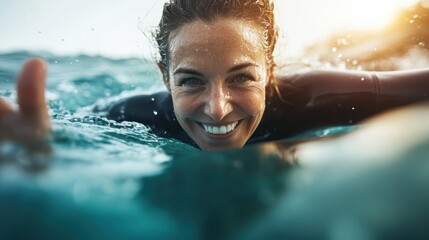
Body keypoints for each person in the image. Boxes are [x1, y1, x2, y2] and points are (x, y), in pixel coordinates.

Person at [1, 0, 429, 152]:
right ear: (164, 77)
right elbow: (61, 129)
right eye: (190, 81)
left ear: (270, 69)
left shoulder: (315, 96)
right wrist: (47, 145)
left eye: (242, 78)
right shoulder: (130, 117)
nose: (218, 108)